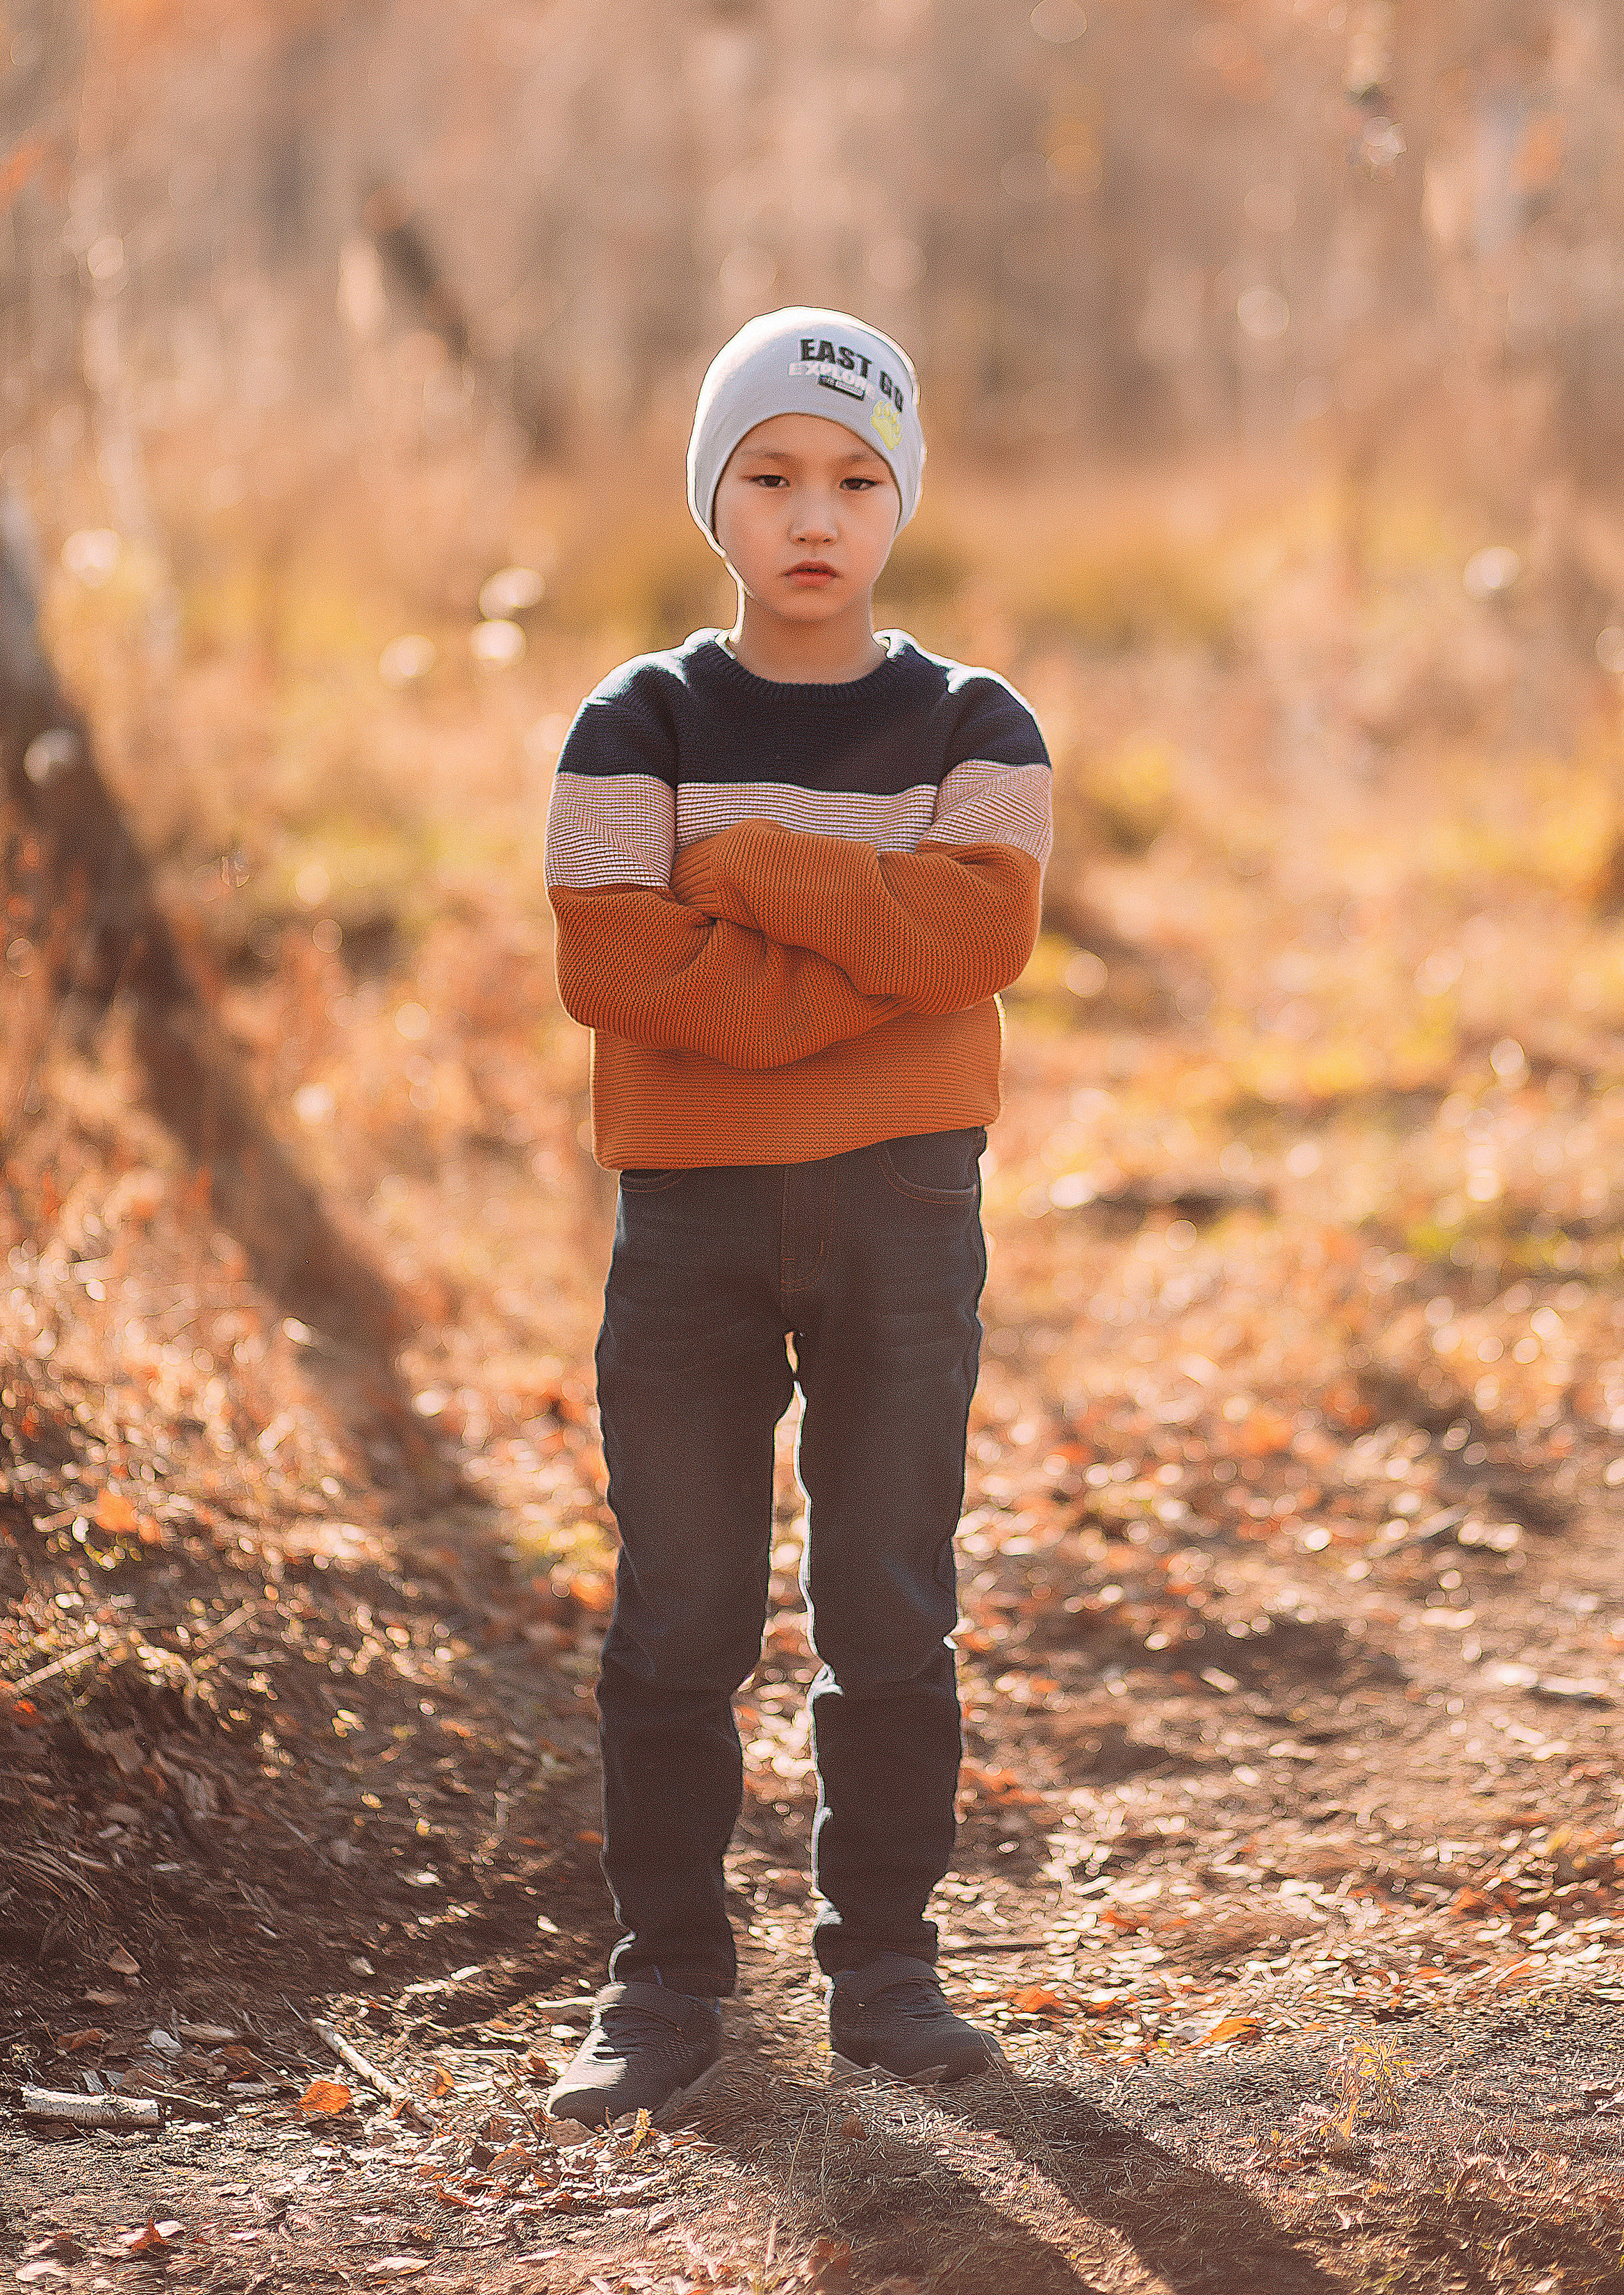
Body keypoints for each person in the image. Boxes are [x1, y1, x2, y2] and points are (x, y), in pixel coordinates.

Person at [541, 306, 1052, 2125]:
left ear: (900, 499)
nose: (811, 514)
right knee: (679, 1612)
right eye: (769, 476)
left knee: (888, 1606)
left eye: (852, 479)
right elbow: (617, 960)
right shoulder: (638, 717)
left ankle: (887, 1979)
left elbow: (978, 939)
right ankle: (666, 1980)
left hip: (908, 1212)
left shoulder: (976, 723)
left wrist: (745, 873)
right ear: (715, 498)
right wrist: (866, 949)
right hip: (686, 1222)